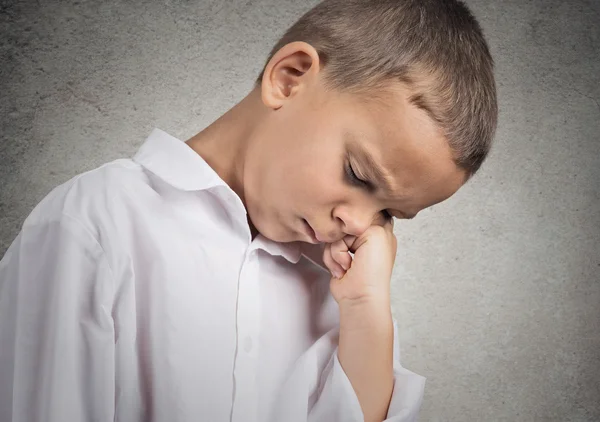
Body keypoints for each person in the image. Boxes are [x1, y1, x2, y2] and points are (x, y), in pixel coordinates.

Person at [0, 0, 497, 421]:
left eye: (389, 215)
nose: (360, 224)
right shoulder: (97, 224)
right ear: (289, 78)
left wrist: (367, 313)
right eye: (358, 175)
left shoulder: (341, 293)